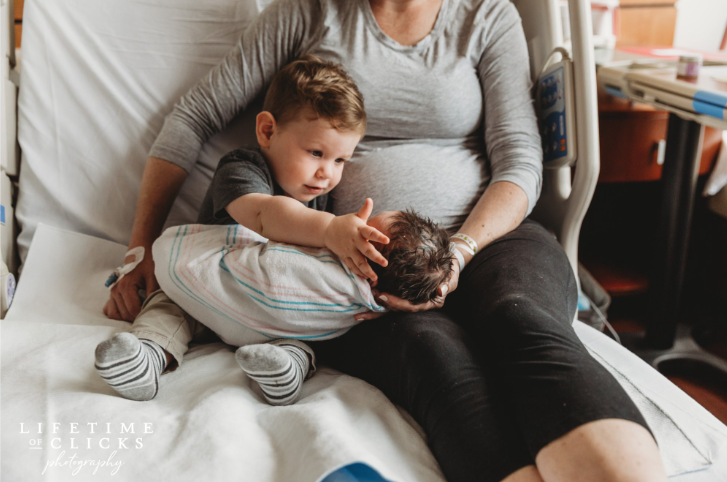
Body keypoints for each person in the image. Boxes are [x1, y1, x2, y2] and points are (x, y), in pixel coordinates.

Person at [104, 1, 669, 481]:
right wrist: (139, 248)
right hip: (361, 273)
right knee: (435, 356)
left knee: (519, 319)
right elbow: (195, 115)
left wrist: (462, 250)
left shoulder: (485, 16)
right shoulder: (310, 11)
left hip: (493, 242)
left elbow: (520, 162)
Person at [96, 55, 454, 406]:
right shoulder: (242, 168)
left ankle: (286, 369)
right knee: (166, 306)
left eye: (340, 160)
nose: (326, 173)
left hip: (273, 315)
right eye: (316, 152)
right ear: (267, 130)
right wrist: (330, 230)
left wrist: (374, 297)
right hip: (204, 291)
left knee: (305, 330)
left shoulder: (321, 200)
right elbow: (266, 216)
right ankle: (147, 358)